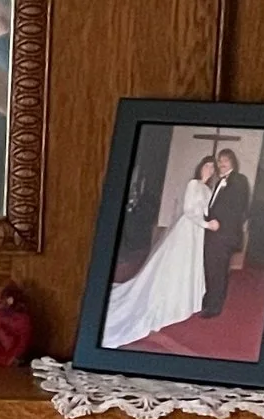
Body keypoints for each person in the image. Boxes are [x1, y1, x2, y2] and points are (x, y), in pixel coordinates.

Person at [103, 151, 216, 351]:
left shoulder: (208, 190)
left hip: (198, 232)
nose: (209, 169)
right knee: (177, 263)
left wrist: (208, 225)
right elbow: (190, 211)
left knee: (189, 266)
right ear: (200, 167)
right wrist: (206, 225)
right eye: (206, 165)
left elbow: (207, 211)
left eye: (212, 167)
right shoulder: (193, 184)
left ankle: (186, 300)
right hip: (188, 228)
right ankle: (168, 299)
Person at [201, 141, 251, 318]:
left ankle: (214, 307)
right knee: (210, 268)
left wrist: (219, 222)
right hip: (213, 233)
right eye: (220, 161)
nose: (222, 164)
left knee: (218, 271)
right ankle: (208, 300)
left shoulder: (238, 179)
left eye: (226, 161)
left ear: (233, 163)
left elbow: (237, 207)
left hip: (224, 235)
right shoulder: (219, 181)